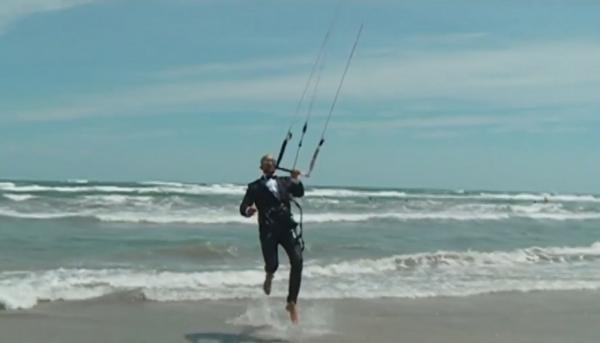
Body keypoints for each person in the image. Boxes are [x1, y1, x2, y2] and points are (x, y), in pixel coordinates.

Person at [239, 154, 305, 324]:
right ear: (261, 167)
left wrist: (296, 179)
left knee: (297, 261)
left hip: (286, 227)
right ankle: (269, 274)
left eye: (272, 161)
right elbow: (243, 207)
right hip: (268, 230)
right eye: (265, 161)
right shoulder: (254, 186)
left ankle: (291, 302)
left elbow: (299, 192)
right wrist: (248, 211)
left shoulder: (285, 182)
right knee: (272, 264)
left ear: (276, 166)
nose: (269, 163)